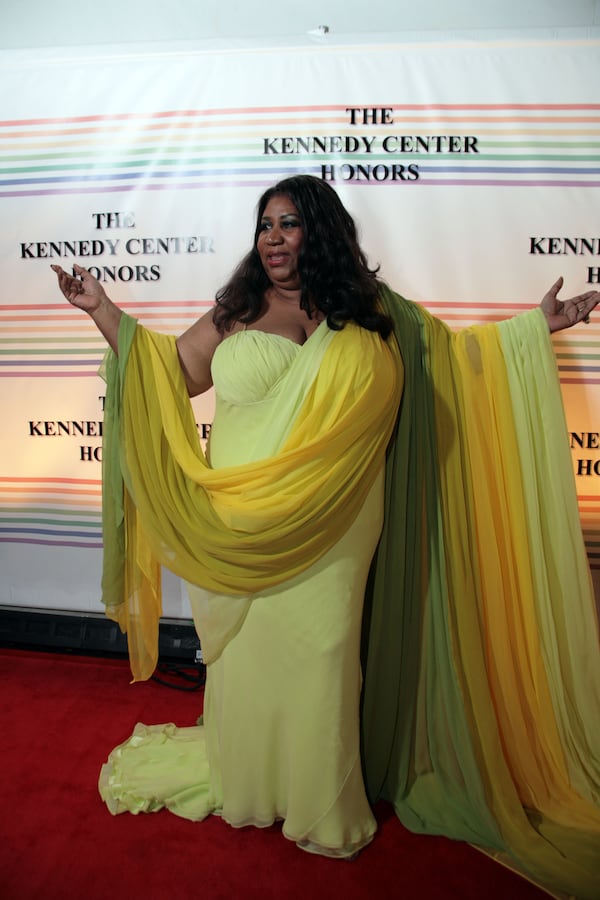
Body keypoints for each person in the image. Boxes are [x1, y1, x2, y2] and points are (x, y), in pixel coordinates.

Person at [52, 175, 600, 896]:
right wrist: (102, 309)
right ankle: (253, 783)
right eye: (264, 225)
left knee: (325, 654)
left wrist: (536, 328)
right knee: (251, 660)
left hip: (339, 525)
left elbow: (453, 359)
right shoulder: (239, 307)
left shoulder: (372, 312)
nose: (273, 238)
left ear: (320, 230)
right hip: (243, 524)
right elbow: (172, 371)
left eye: (289, 223)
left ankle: (321, 805)